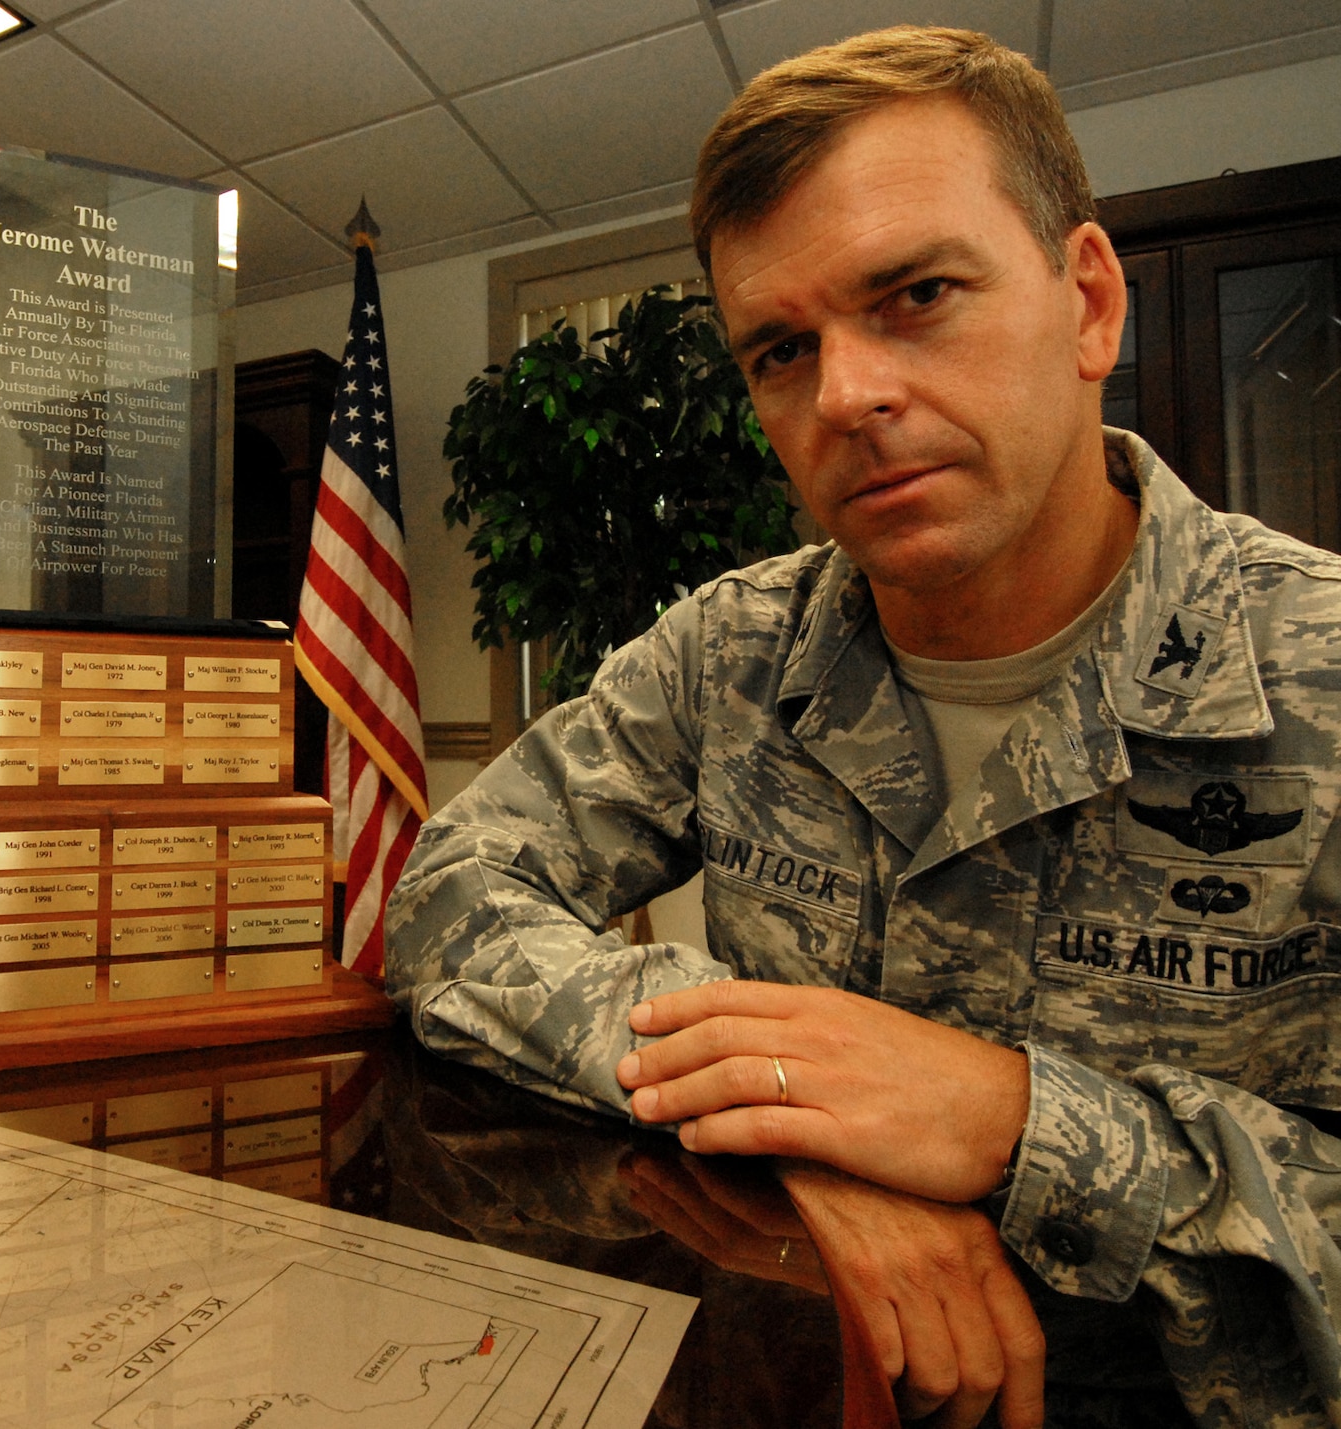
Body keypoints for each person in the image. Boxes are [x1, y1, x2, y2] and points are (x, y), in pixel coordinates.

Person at [384, 25, 1341, 1429]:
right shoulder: (735, 651)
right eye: (781, 348)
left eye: (918, 295)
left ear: (1086, 302)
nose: (845, 396)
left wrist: (1017, 1126)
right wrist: (785, 1116)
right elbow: (449, 898)